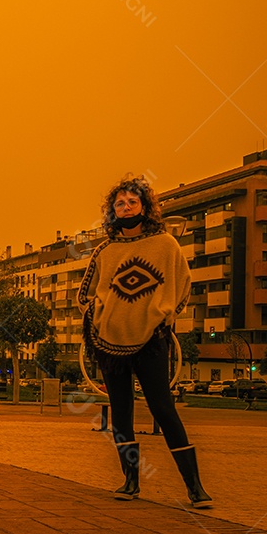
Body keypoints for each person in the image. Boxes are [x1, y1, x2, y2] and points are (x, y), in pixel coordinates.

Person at [77, 174, 212, 508]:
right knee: (121, 411)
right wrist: (98, 316)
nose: (126, 207)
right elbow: (84, 294)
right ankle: (130, 481)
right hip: (109, 343)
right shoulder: (105, 251)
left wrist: (167, 316)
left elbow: (183, 285)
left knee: (163, 408)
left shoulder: (166, 245)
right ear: (112, 211)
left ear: (145, 206)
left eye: (132, 202)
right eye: (119, 203)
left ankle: (195, 487)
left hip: (152, 338)